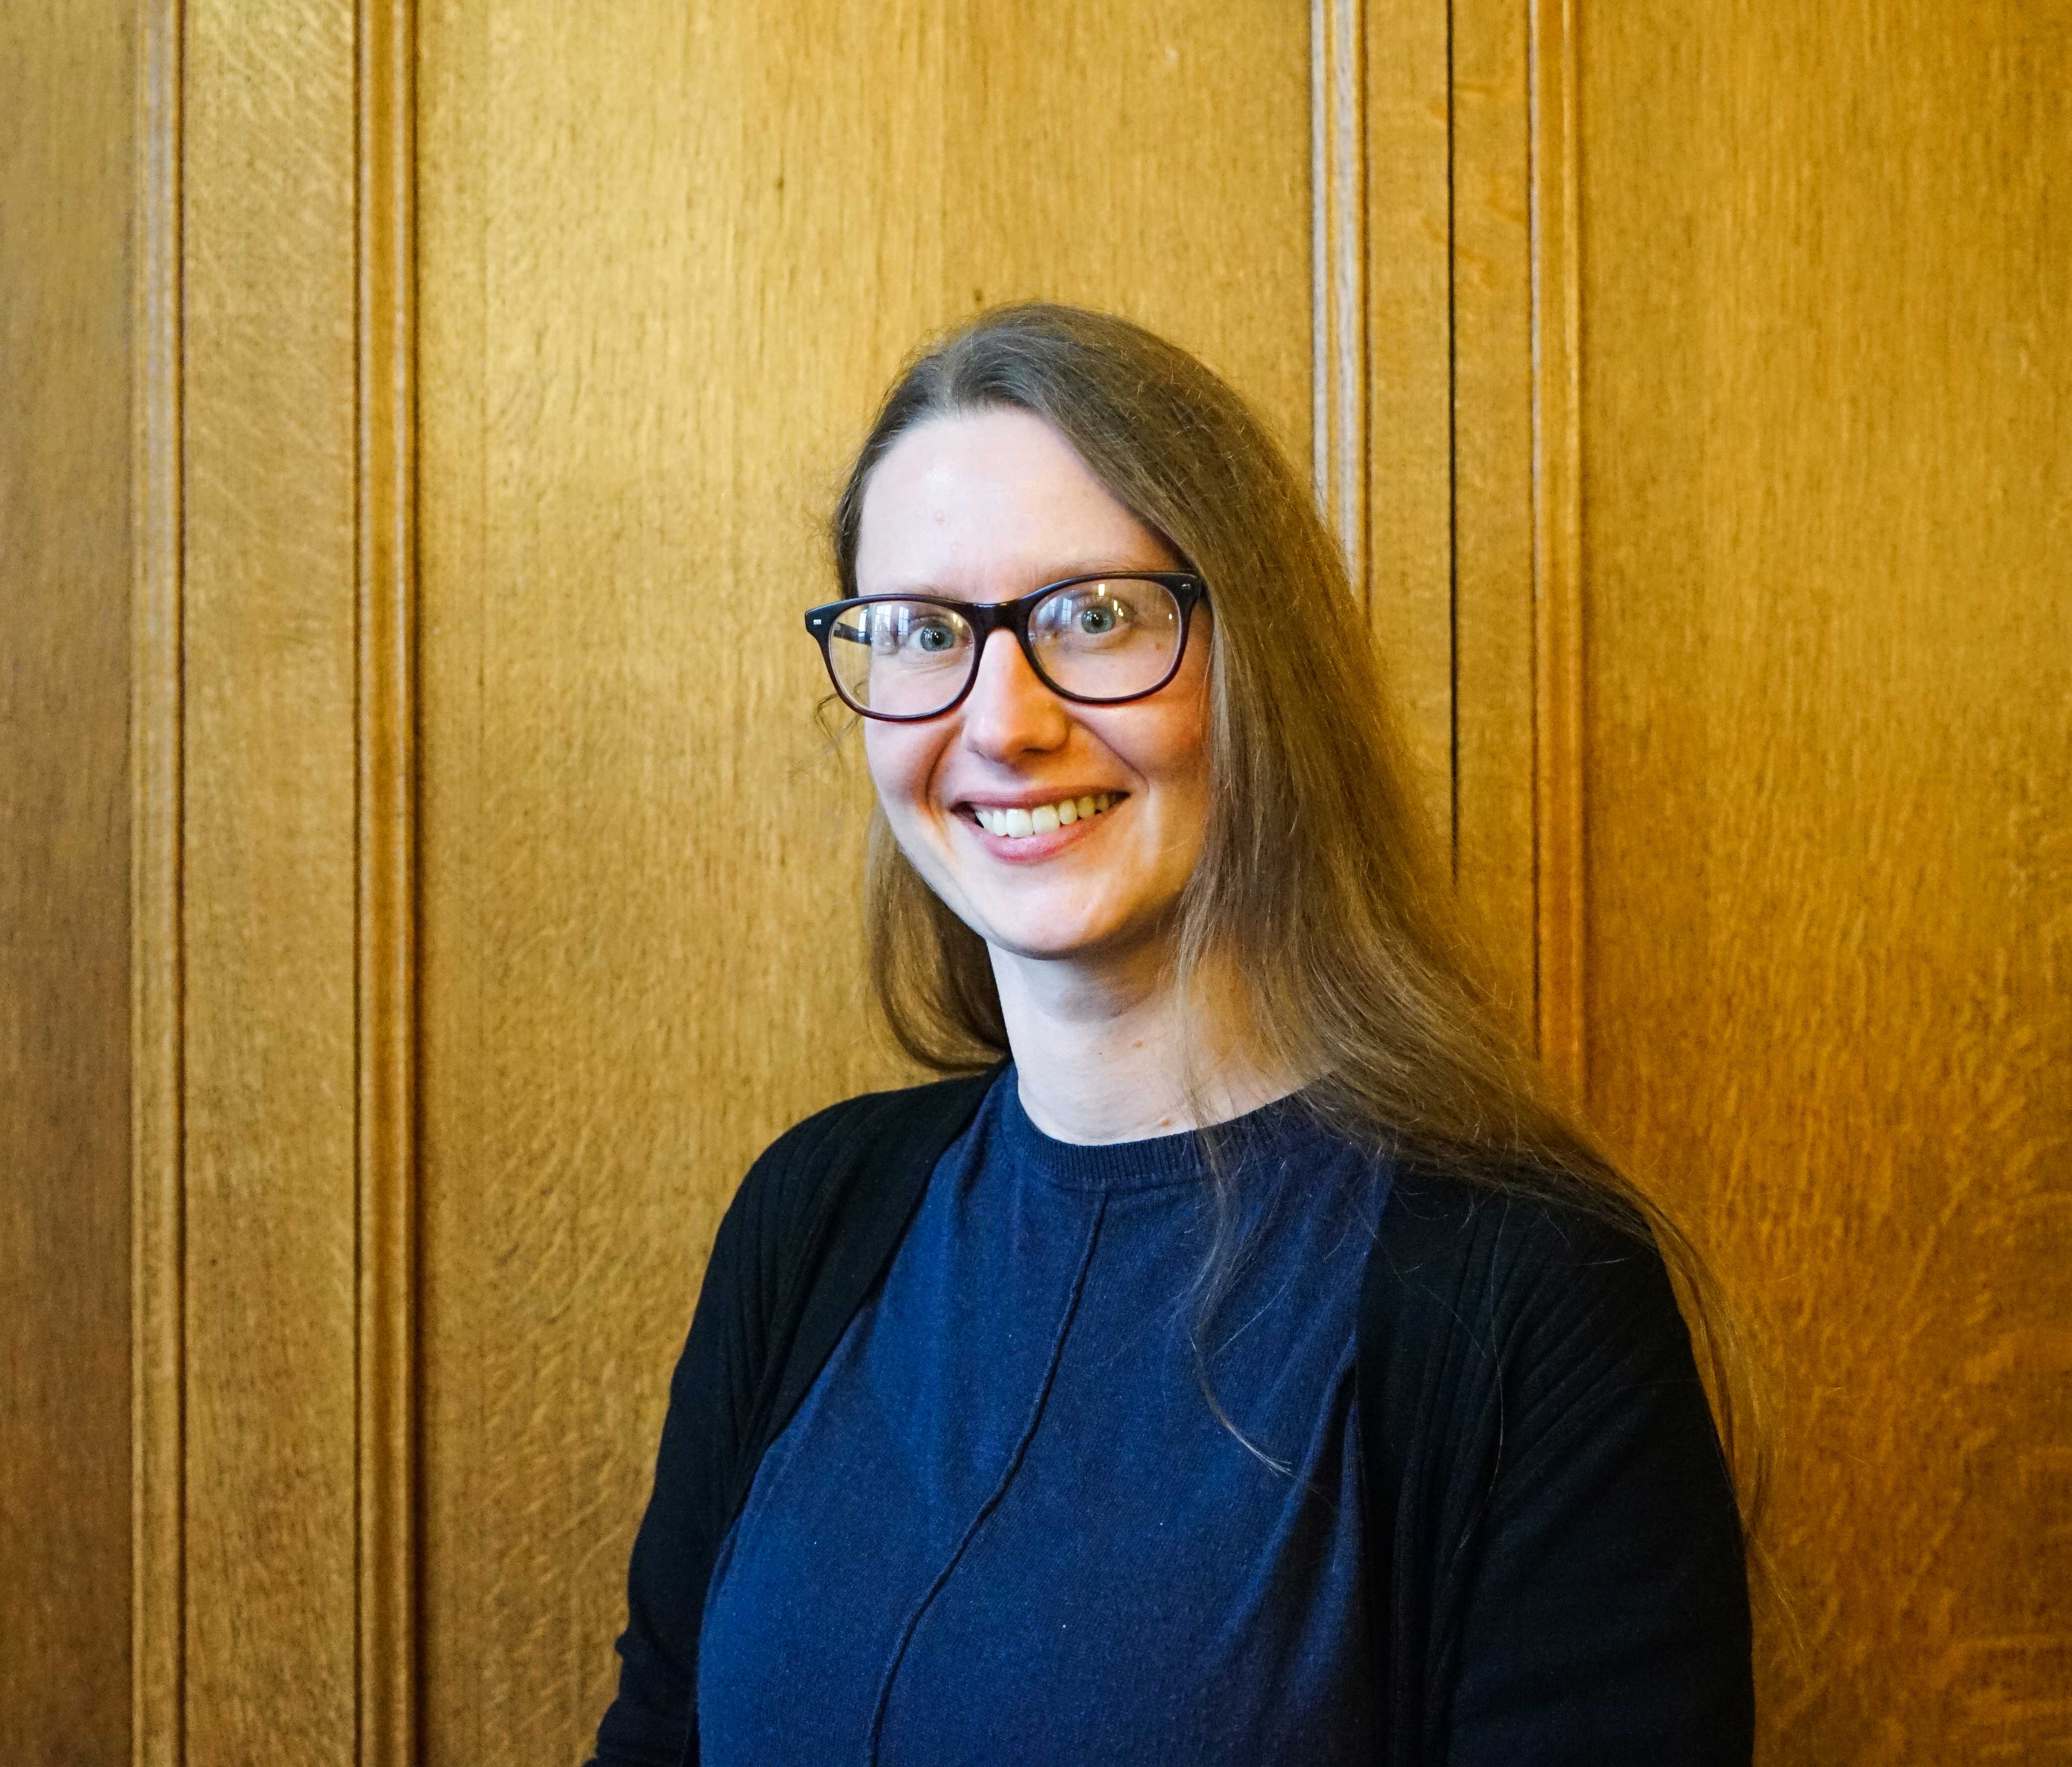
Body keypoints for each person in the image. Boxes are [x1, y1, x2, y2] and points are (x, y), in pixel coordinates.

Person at [587, 304, 1751, 1767]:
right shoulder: (814, 1217)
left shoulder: (1525, 1296)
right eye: (924, 633)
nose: (1001, 721)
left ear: (1259, 661)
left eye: (1094, 616)